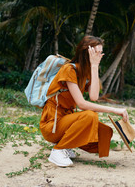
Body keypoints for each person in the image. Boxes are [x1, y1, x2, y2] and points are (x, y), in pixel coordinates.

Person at [39, 35, 129, 167]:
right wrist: (115, 110)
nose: (99, 55)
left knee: (105, 133)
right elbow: (82, 104)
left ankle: (65, 145)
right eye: (96, 52)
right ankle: (57, 151)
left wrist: (94, 66)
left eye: (100, 52)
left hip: (66, 121)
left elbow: (94, 97)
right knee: (90, 116)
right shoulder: (69, 69)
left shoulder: (84, 72)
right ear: (87, 52)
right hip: (52, 125)